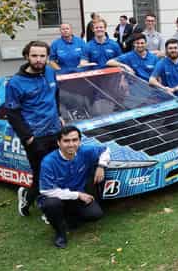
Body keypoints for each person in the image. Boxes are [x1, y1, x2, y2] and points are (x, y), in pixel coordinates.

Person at [6, 41, 63, 217]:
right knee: (42, 175)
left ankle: (44, 202)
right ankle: (41, 207)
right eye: (34, 56)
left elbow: (56, 95)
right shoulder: (15, 83)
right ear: (26, 56)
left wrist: (59, 115)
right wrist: (28, 137)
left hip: (54, 131)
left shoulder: (50, 72)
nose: (38, 60)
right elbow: (12, 113)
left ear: (47, 57)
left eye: (42, 56)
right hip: (35, 136)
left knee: (57, 170)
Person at [38, 126, 110, 248]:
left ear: (79, 141)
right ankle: (60, 234)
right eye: (66, 141)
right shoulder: (48, 161)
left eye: (75, 140)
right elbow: (47, 190)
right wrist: (78, 195)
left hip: (77, 196)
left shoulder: (84, 151)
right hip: (56, 197)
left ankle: (68, 218)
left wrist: (101, 166)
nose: (71, 144)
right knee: (51, 204)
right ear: (58, 143)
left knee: (95, 214)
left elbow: (106, 150)